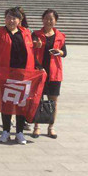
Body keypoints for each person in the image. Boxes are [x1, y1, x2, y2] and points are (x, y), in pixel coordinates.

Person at [0, 7, 40, 145]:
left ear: (19, 20)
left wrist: (38, 66)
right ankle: (6, 131)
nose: (11, 20)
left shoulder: (26, 33)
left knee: (21, 104)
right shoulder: (0, 32)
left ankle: (19, 132)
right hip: (6, 75)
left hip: (23, 75)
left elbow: (31, 53)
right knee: (6, 104)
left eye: (14, 18)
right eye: (8, 17)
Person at [32, 9, 66, 139]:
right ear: (42, 19)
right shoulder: (36, 34)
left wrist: (59, 52)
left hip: (54, 72)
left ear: (55, 21)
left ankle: (51, 127)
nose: (48, 21)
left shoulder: (60, 36)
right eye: (46, 18)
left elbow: (64, 52)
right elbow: (30, 51)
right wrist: (36, 46)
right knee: (37, 100)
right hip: (39, 71)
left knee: (53, 101)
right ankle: (37, 126)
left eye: (51, 19)